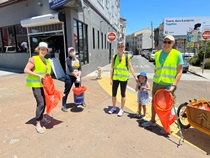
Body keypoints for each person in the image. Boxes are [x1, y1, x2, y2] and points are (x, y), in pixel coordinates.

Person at [142, 35, 183, 134]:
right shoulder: (157, 54)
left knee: (166, 106)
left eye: (169, 42)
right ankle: (152, 121)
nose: (166, 44)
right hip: (157, 82)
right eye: (165, 42)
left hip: (169, 84)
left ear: (173, 44)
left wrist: (173, 86)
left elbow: (180, 72)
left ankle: (166, 126)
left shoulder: (177, 54)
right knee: (154, 103)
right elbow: (157, 68)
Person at [24, 42, 51, 134]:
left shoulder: (47, 61)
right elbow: (26, 70)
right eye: (41, 49)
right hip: (36, 86)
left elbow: (47, 74)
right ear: (38, 50)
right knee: (41, 103)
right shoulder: (34, 59)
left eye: (45, 49)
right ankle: (38, 124)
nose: (43, 51)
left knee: (45, 103)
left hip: (44, 86)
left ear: (47, 51)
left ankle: (42, 117)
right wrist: (38, 75)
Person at [108, 41, 138, 116]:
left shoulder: (127, 57)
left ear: (123, 48)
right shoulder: (114, 57)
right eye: (119, 47)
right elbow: (112, 67)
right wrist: (110, 78)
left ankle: (121, 109)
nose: (120, 48)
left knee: (123, 94)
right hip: (115, 78)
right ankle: (114, 107)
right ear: (117, 48)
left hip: (124, 79)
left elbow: (130, 67)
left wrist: (135, 76)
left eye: (122, 47)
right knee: (114, 94)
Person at [61, 47, 82, 112]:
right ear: (68, 53)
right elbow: (71, 70)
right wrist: (77, 77)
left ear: (75, 51)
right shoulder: (68, 59)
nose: (72, 52)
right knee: (66, 91)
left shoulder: (78, 59)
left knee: (78, 90)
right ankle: (63, 105)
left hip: (77, 76)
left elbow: (80, 69)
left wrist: (79, 76)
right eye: (70, 51)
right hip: (69, 77)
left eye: (72, 50)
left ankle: (80, 101)